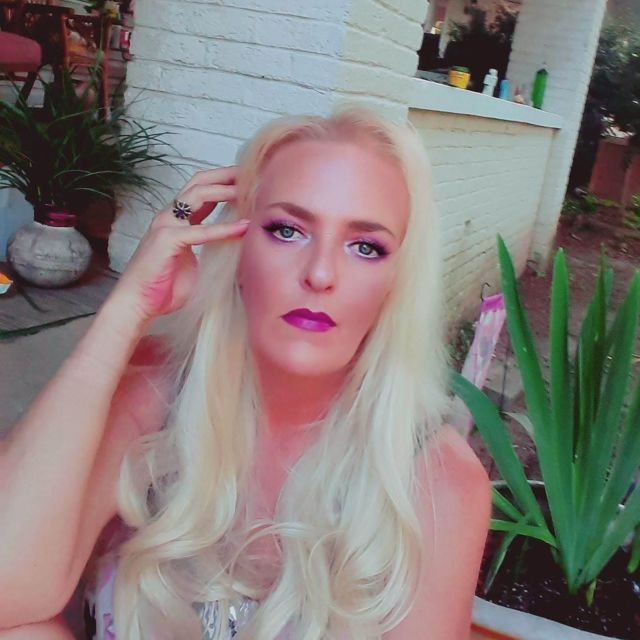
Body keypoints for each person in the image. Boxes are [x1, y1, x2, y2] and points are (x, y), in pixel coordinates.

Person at [0, 105, 491, 639]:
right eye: (287, 230)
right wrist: (126, 311)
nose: (320, 273)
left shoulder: (437, 480)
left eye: (365, 247)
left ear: (398, 283)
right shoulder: (155, 391)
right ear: (236, 249)